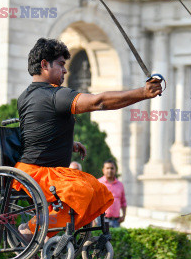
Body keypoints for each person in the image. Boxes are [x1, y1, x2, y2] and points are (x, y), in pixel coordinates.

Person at [15, 38, 162, 240]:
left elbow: (37, 128)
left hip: (39, 170)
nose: (65, 71)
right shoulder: (55, 95)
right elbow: (99, 102)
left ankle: (50, 234)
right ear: (44, 65)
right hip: (39, 173)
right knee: (83, 192)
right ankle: (30, 230)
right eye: (60, 64)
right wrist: (143, 93)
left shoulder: (25, 96)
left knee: (98, 189)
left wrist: (70, 144)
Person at [98, 159, 127, 228]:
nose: (110, 170)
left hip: (116, 221)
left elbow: (123, 202)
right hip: (101, 220)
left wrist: (124, 216)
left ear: (115, 170)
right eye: (107, 168)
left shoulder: (120, 185)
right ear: (103, 170)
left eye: (112, 168)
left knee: (115, 238)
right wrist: (92, 220)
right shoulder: (98, 183)